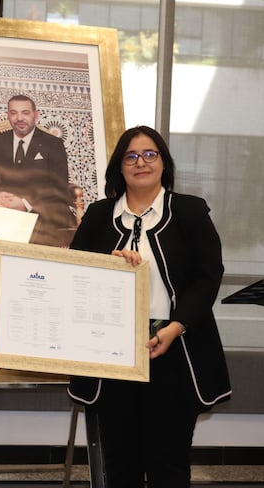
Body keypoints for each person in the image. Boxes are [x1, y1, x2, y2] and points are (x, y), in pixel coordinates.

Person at [66, 126, 231, 488]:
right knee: (120, 463)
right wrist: (107, 265)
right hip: (112, 353)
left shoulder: (189, 211)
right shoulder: (98, 215)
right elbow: (75, 273)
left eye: (150, 154)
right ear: (119, 166)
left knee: (168, 464)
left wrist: (176, 327)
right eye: (131, 156)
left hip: (173, 348)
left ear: (163, 163)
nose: (141, 162)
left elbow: (208, 277)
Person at [0, 94, 76, 246]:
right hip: (2, 213)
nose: (19, 118)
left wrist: (26, 203)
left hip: (42, 213)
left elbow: (58, 186)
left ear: (35, 115)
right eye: (14, 113)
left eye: (25, 113)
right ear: (8, 115)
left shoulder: (53, 144)